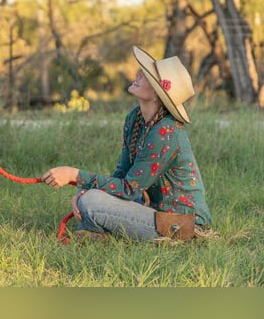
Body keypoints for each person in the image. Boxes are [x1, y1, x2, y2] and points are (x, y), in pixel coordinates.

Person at [42, 45, 212, 242]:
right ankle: (102, 232)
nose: (139, 73)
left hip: (181, 223)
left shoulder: (166, 131)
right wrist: (85, 189)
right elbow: (122, 174)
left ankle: (100, 231)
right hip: (153, 209)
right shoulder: (135, 118)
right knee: (90, 197)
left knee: (91, 202)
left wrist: (75, 175)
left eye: (147, 74)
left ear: (158, 93)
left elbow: (129, 189)